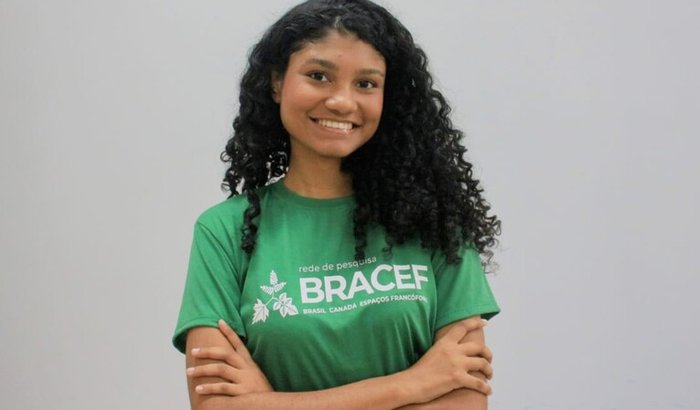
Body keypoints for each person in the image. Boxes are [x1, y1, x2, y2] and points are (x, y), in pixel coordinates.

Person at [172, 0, 502, 408]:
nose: (342, 101)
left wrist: (268, 402)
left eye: (366, 84)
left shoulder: (436, 222)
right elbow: (216, 407)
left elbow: (465, 403)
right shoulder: (223, 232)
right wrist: (413, 384)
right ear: (277, 82)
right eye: (318, 76)